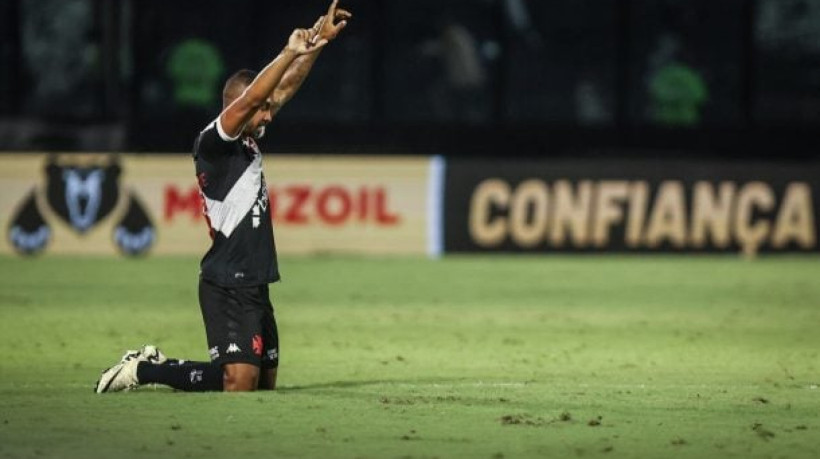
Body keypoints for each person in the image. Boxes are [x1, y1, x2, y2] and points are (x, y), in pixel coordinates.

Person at [94, 0, 351, 393]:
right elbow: (253, 100)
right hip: (226, 282)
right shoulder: (215, 140)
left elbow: (280, 89)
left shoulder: (248, 136)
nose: (269, 116)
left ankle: (161, 365)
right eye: (261, 109)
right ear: (237, 105)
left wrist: (316, 44)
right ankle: (144, 371)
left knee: (263, 384)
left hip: (255, 280)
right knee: (238, 382)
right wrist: (287, 51)